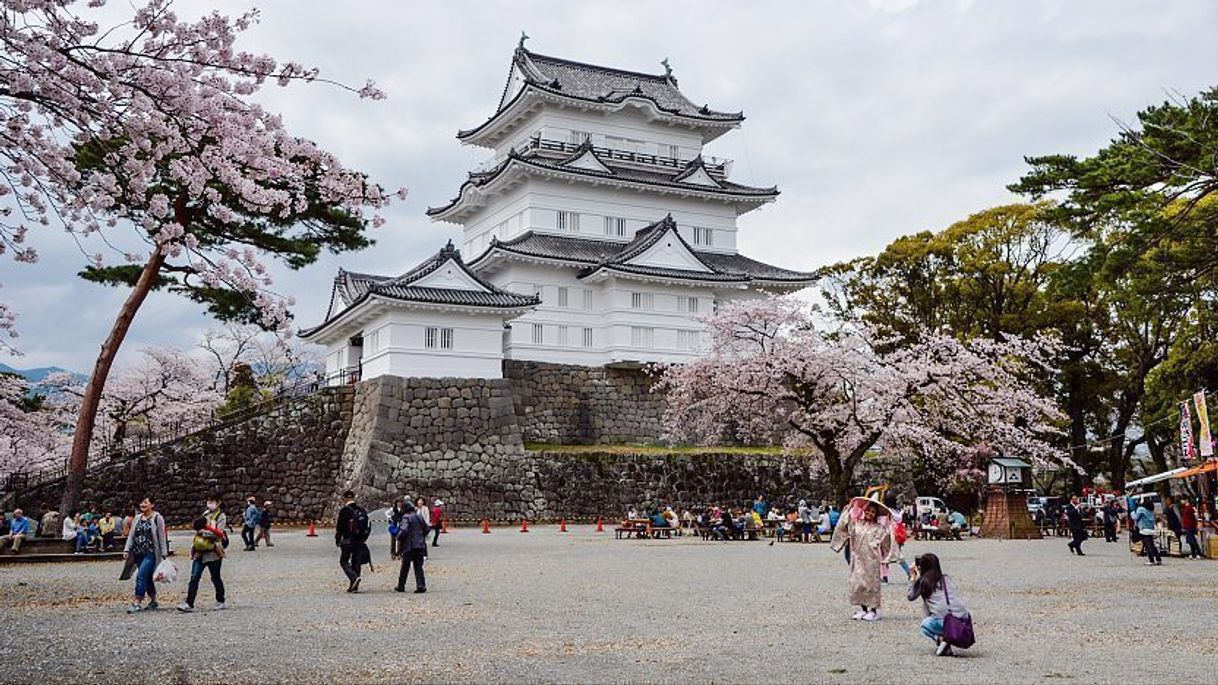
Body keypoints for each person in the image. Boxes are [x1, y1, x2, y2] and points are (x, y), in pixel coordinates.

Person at [830, 496, 896, 621]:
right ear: (864, 511)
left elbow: (888, 542)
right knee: (858, 584)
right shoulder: (856, 524)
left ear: (876, 514)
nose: (870, 513)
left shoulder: (879, 528)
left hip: (871, 559)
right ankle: (863, 609)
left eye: (873, 512)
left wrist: (889, 556)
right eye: (868, 510)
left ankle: (873, 610)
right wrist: (847, 511)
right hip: (858, 558)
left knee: (871, 585)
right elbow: (844, 526)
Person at [907, 552, 971, 657]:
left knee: (925, 625)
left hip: (946, 622)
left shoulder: (924, 582)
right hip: (963, 619)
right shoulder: (946, 579)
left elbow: (910, 596)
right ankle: (946, 642)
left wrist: (913, 578)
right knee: (939, 615)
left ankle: (942, 640)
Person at [122, 496, 169, 614]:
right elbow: (132, 535)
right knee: (147, 578)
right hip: (138, 552)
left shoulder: (157, 518)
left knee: (141, 575)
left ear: (152, 505)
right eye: (141, 502)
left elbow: (161, 536)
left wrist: (164, 553)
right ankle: (153, 600)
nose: (142, 504)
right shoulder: (137, 518)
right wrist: (127, 549)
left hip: (151, 552)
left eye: (145, 502)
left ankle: (137, 601)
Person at [177, 516, 226, 612]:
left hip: (213, 554)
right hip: (199, 554)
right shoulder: (205, 514)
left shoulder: (220, 516)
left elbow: (219, 535)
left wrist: (203, 532)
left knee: (215, 577)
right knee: (194, 577)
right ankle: (189, 602)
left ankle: (220, 600)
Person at [335, 490, 371, 592]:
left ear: (345, 498)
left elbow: (340, 527)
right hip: (360, 540)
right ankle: (354, 586)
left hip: (348, 540)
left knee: (344, 561)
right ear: (354, 497)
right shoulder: (361, 510)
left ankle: (353, 577)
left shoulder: (344, 511)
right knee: (356, 561)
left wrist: (338, 539)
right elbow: (368, 525)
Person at [395, 502, 430, 594]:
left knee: (405, 567)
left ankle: (401, 585)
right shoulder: (419, 516)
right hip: (419, 545)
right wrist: (421, 536)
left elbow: (404, 530)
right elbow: (427, 528)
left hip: (409, 545)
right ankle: (421, 585)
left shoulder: (406, 517)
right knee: (418, 566)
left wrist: (398, 537)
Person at [1132, 500, 1161, 566]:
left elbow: (1135, 518)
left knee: (1148, 546)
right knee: (1152, 545)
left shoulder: (1141, 509)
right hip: (1151, 530)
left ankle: (1151, 560)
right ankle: (1158, 559)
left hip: (1144, 530)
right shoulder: (1151, 511)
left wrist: (1132, 513)